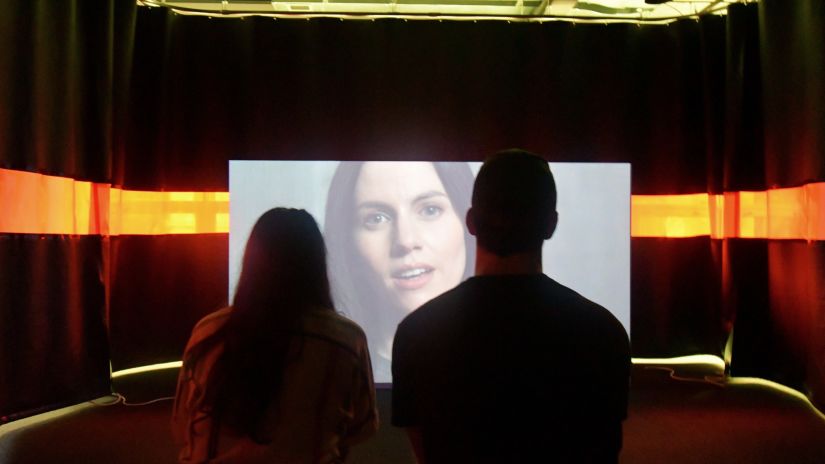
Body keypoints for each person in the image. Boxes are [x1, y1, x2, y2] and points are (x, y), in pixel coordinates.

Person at [391, 150, 632, 463]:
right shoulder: (603, 331)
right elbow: (604, 446)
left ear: (471, 222)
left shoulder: (416, 333)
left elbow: (425, 452)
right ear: (551, 225)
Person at [172, 208, 378, 463]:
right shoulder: (347, 340)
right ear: (316, 264)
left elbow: (181, 425)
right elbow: (361, 428)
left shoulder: (208, 332)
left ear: (251, 261)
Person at [324, 161, 475, 381]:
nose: (405, 240)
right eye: (377, 218)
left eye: (430, 210)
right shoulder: (332, 372)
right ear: (348, 242)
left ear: (468, 222)